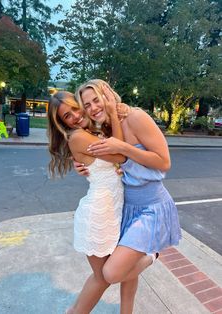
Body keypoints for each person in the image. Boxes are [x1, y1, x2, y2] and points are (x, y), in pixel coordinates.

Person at [73, 79, 182, 311]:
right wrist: (84, 167)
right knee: (127, 272)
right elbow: (110, 167)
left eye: (96, 100)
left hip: (151, 207)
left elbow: (164, 162)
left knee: (112, 273)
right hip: (125, 208)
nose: (93, 108)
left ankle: (152, 255)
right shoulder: (104, 128)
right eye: (87, 105)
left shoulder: (135, 117)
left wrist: (123, 148)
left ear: (108, 95)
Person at [48, 90, 145, 314]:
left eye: (75, 107)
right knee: (103, 278)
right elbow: (121, 155)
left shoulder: (91, 131)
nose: (74, 115)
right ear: (62, 124)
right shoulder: (79, 137)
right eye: (66, 116)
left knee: (125, 269)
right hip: (100, 214)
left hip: (117, 209)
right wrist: (111, 112)